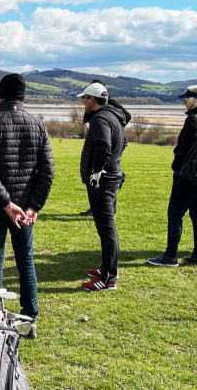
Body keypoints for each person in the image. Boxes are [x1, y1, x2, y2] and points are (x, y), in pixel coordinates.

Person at [0, 73, 54, 339]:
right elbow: (48, 172)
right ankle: (30, 319)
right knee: (25, 261)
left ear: (0, 95)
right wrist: (33, 207)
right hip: (23, 209)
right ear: (23, 96)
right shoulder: (37, 124)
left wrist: (8, 204)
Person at [78, 82, 127, 291]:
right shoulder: (113, 115)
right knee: (106, 228)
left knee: (107, 229)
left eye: (84, 99)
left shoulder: (99, 119)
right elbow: (122, 144)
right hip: (110, 176)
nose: (83, 103)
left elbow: (104, 146)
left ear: (92, 99)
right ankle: (108, 268)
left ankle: (108, 279)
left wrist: (97, 171)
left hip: (103, 180)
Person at [147, 85, 197, 267]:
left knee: (175, 214)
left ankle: (170, 256)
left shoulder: (192, 120)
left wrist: (175, 168)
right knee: (196, 215)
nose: (184, 101)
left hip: (187, 175)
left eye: (187, 98)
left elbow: (183, 150)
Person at [79, 80, 131, 217]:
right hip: (103, 143)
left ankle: (108, 211)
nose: (84, 101)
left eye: (86, 97)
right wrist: (86, 123)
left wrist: (112, 131)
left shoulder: (107, 110)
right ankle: (99, 209)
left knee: (106, 219)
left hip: (109, 145)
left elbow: (127, 117)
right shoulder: (96, 112)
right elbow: (87, 115)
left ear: (93, 98)